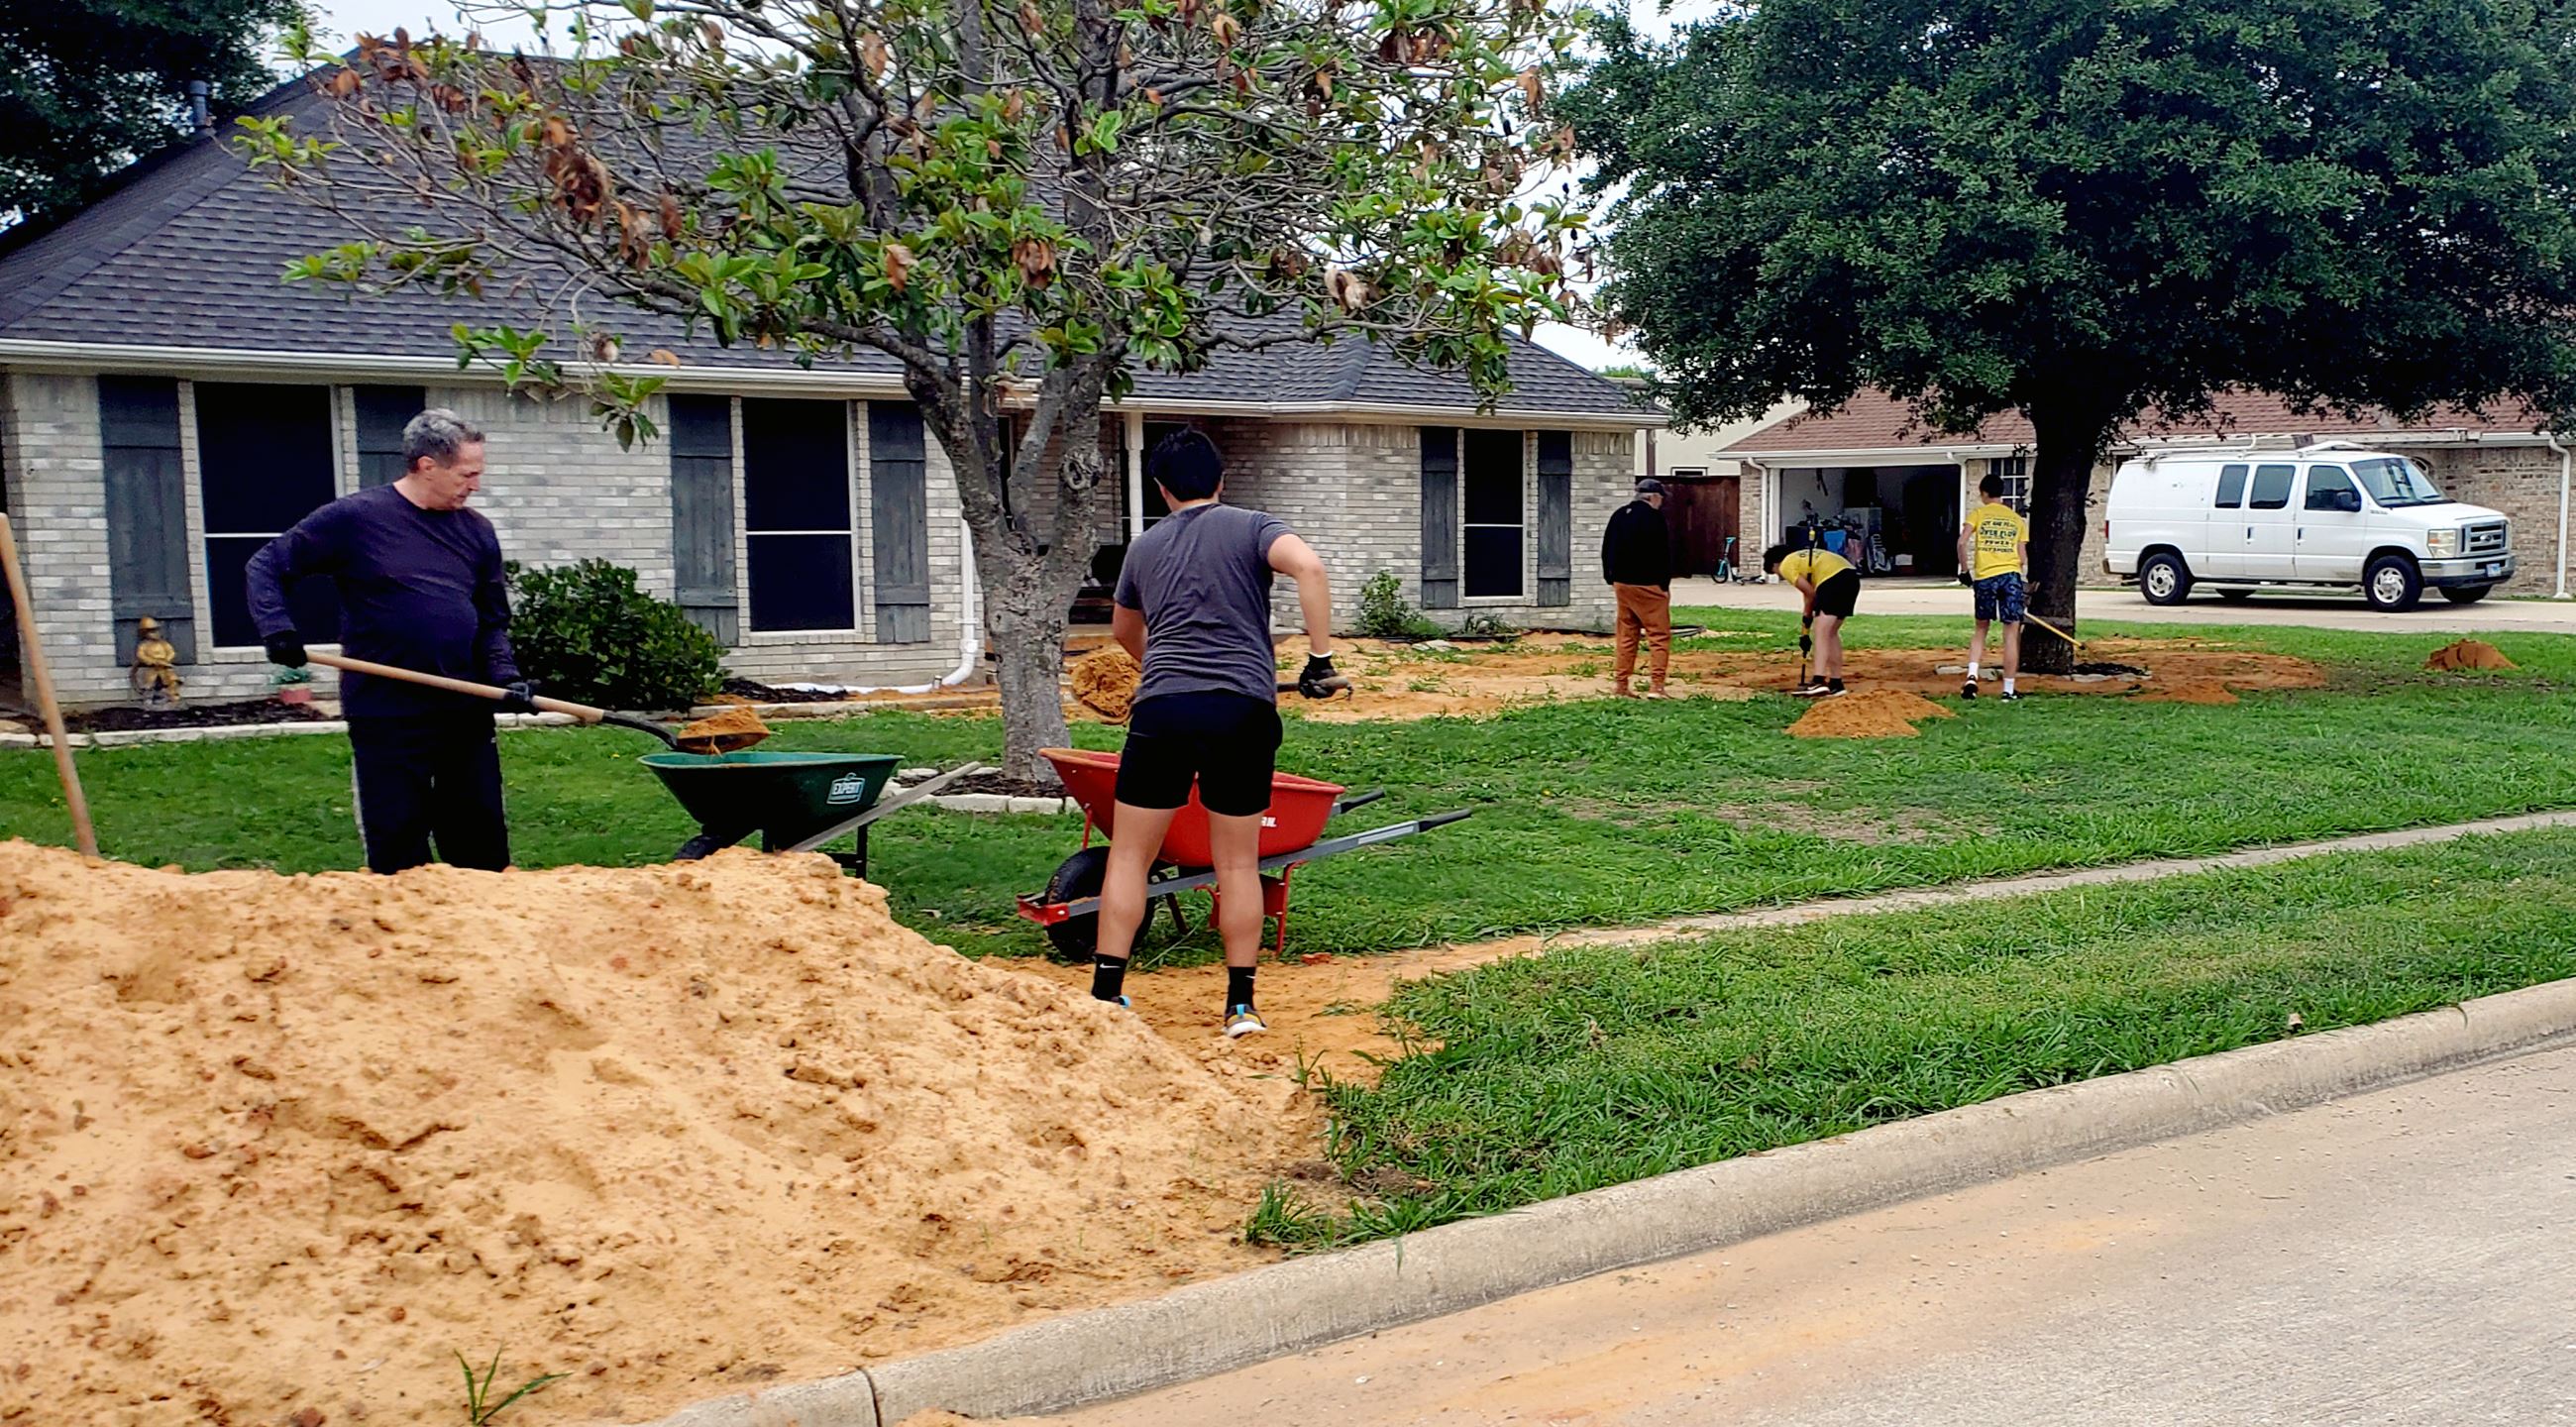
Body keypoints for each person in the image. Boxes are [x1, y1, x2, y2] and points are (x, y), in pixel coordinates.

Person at [1094, 429, 1339, 1038]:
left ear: (1160, 488)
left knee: (1129, 855)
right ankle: (1239, 1007)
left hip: (1165, 710)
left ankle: (1104, 996)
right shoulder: (1253, 527)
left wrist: (1163, 669)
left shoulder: (1144, 548)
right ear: (1221, 481)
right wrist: (1318, 660)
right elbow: (1307, 565)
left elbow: (1126, 631)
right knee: (1236, 860)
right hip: (1241, 711)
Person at [246, 408, 534, 874]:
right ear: (426, 466)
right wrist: (278, 630)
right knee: (397, 844)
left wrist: (506, 678)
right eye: (467, 474)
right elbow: (266, 565)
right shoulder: (357, 519)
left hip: (464, 711)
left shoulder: (476, 531)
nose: (475, 485)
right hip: (388, 713)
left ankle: (478, 941)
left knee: (480, 844)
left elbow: (491, 620)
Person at [1957, 474, 2031, 702]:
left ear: (1983, 493)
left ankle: (1971, 676)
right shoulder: (2017, 520)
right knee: (2010, 633)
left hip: (1985, 577)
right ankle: (2008, 689)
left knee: (1981, 628)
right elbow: (2023, 558)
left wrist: (1964, 570)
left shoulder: (1978, 514)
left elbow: (1962, 542)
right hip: (2010, 576)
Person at [1600, 478, 1673, 698]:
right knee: (1659, 635)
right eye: (1660, 498)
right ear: (1653, 497)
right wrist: (1664, 585)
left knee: (1626, 634)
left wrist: (1610, 578)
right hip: (1648, 584)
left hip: (1622, 583)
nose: (1661, 503)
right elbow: (1662, 554)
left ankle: (1621, 685)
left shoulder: (1619, 515)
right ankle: (1656, 686)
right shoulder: (1654, 518)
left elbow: (1607, 548)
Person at [1764, 537, 1860, 697]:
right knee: (1831, 633)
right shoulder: (1802, 559)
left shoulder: (1787, 564)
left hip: (1833, 580)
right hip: (1850, 578)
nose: (1782, 577)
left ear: (1775, 564)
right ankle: (1836, 683)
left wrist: (1808, 617)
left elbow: (1810, 593)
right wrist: (1807, 616)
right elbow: (1809, 594)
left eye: (1776, 573)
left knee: (1821, 632)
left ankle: (1818, 680)